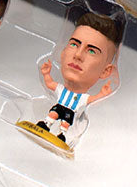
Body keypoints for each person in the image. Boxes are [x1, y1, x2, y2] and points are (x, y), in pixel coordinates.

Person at [34, 11, 121, 145]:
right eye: (74, 44)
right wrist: (46, 74)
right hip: (59, 107)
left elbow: (92, 100)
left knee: (65, 123)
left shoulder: (83, 100)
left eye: (91, 51)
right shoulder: (61, 90)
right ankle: (45, 125)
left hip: (71, 114)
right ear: (62, 53)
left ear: (105, 71)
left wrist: (103, 94)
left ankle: (62, 135)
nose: (78, 55)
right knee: (53, 114)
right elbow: (50, 84)